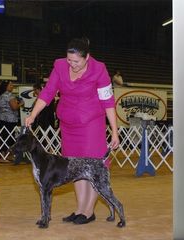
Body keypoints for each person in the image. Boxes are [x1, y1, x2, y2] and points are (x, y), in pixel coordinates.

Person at [25, 38, 120, 225]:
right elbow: (48, 92)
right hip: (68, 126)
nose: (72, 64)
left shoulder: (99, 69)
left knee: (91, 167)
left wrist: (115, 132)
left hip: (91, 124)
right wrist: (33, 115)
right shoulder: (60, 66)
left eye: (76, 61)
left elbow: (108, 101)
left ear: (87, 58)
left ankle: (89, 210)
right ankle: (80, 208)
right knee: (75, 167)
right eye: (69, 60)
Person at [0, 80, 24, 164]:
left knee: (3, 137)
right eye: (11, 85)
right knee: (9, 138)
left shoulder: (0, 96)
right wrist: (21, 104)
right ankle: (8, 155)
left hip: (1, 119)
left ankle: (3, 155)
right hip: (10, 120)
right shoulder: (9, 95)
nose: (12, 87)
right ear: (6, 86)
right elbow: (14, 107)